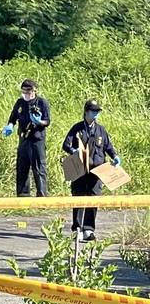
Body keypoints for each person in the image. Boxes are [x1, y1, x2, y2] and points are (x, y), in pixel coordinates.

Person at [62, 99, 121, 242]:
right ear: (86, 112)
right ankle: (77, 228)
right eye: (93, 111)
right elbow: (66, 145)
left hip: (97, 169)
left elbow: (108, 147)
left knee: (94, 197)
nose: (95, 114)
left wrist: (114, 156)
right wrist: (74, 151)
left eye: (97, 112)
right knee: (79, 197)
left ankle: (89, 229)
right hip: (80, 169)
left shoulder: (101, 130)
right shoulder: (77, 128)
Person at [1, 79, 51, 197]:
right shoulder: (20, 103)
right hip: (24, 139)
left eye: (28, 92)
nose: (26, 94)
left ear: (34, 91)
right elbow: (13, 117)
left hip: (36, 140)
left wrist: (39, 122)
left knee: (39, 168)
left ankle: (42, 196)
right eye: (23, 91)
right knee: (22, 167)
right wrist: (10, 126)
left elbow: (47, 121)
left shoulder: (41, 103)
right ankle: (23, 195)